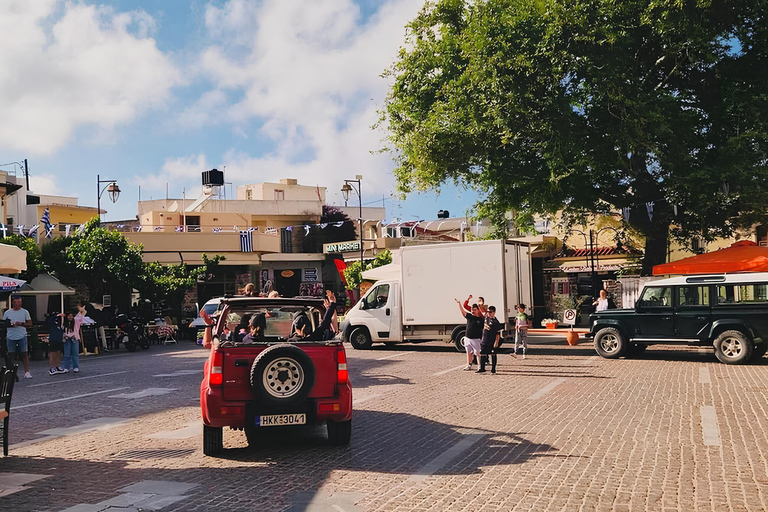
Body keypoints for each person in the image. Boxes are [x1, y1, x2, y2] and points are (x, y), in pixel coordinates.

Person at [4, 296, 32, 378]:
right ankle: (11, 371)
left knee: (24, 353)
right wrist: (11, 324)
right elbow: (4, 324)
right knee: (11, 354)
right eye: (16, 302)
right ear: (13, 303)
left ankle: (26, 372)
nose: (18, 304)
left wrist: (21, 323)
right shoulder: (7, 313)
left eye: (19, 302)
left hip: (22, 335)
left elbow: (30, 324)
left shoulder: (25, 312)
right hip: (10, 335)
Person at [455, 298, 484, 370]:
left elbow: (483, 329)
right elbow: (463, 312)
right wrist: (459, 304)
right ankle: (469, 365)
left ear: (478, 310)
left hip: (476, 338)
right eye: (472, 310)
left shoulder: (480, 319)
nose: (473, 311)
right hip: (468, 337)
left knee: (477, 352)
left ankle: (480, 366)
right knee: (468, 352)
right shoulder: (469, 317)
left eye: (474, 310)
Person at [477, 305, 503, 374]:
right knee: (483, 353)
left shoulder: (496, 322)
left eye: (490, 312)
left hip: (492, 341)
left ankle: (493, 369)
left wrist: (496, 343)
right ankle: (482, 368)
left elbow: (498, 334)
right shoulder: (486, 318)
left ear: (494, 312)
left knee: (493, 354)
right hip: (485, 340)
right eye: (488, 312)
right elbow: (482, 310)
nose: (489, 313)